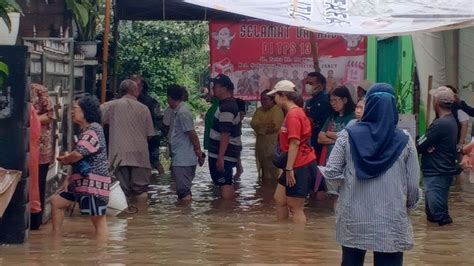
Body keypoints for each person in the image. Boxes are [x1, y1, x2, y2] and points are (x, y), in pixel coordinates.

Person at [318, 83, 420, 266]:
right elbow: (413, 185)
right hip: (391, 218)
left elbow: (331, 173)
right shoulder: (405, 140)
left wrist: (344, 191)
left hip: (353, 216)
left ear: (369, 104)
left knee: (351, 261)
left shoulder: (346, 135)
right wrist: (407, 209)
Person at [50, 96, 111, 239]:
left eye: (75, 108)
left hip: (94, 186)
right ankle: (56, 240)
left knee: (98, 220)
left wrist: (65, 159)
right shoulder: (86, 131)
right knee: (56, 202)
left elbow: (78, 155)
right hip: (80, 184)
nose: (72, 111)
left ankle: (102, 255)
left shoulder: (94, 130)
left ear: (85, 111)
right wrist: (68, 178)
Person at [268, 80, 318, 224]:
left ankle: (297, 243)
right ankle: (283, 235)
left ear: (283, 96)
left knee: (296, 207)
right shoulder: (293, 113)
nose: (274, 99)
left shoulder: (294, 115)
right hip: (293, 163)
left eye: (275, 96)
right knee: (280, 199)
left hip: (299, 164)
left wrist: (289, 168)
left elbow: (294, 142)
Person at [102, 80, 155, 201]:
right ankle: (140, 217)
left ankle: (124, 218)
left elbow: (95, 118)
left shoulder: (110, 106)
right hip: (140, 156)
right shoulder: (144, 109)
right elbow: (150, 134)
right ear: (135, 91)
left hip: (118, 155)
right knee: (141, 191)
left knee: (119, 191)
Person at [417, 86, 458, 226]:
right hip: (440, 171)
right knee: (433, 216)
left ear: (436, 103)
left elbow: (421, 145)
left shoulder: (441, 124)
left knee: (439, 215)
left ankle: (448, 245)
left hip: (437, 172)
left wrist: (426, 145)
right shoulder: (451, 121)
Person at [167, 85, 204, 202]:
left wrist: (199, 153)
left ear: (169, 98)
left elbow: (192, 134)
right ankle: (183, 215)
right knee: (182, 190)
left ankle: (186, 216)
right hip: (181, 157)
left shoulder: (183, 112)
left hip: (184, 159)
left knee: (184, 192)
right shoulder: (179, 111)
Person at [208, 74, 242, 200]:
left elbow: (225, 134)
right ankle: (226, 210)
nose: (213, 89)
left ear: (224, 88)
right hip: (224, 152)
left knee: (225, 182)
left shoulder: (227, 107)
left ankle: (226, 212)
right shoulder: (226, 104)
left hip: (224, 153)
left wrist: (220, 157)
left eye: (215, 86)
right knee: (224, 182)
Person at [317, 86, 355, 192]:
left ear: (345, 100)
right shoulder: (332, 117)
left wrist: (329, 134)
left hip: (347, 163)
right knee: (332, 194)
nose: (332, 103)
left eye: (335, 100)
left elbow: (351, 138)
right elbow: (320, 138)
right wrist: (340, 139)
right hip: (330, 163)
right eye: (331, 100)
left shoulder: (353, 117)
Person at [30, 83, 55, 230]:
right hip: (23, 146)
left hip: (40, 148)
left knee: (38, 185)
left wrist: (31, 120)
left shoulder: (39, 90)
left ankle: (35, 222)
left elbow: (50, 115)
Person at [131, 75, 163, 174]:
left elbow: (151, 123)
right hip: (132, 141)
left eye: (139, 85)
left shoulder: (147, 102)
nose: (138, 88)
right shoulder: (122, 101)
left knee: (154, 162)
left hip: (147, 139)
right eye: (135, 85)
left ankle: (162, 182)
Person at [250, 89, 284, 181]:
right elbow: (253, 124)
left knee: (274, 176)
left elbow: (274, 126)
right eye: (261, 99)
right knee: (262, 175)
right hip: (260, 147)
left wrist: (261, 127)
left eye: (265, 99)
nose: (262, 101)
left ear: (273, 100)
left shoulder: (278, 111)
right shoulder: (259, 110)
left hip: (273, 148)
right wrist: (264, 126)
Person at [304, 72, 332, 157]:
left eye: (311, 83)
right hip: (311, 141)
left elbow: (310, 121)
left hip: (320, 143)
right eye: (307, 83)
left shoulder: (323, 100)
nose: (308, 85)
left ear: (319, 86)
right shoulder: (310, 101)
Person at [233, 98, 247, 180]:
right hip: (236, 140)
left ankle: (237, 175)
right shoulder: (237, 118)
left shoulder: (237, 117)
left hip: (235, 141)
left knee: (237, 160)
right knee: (237, 159)